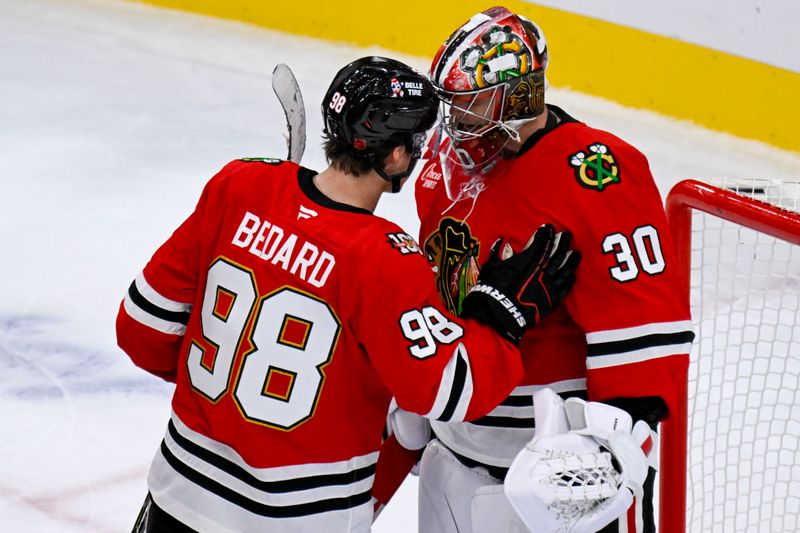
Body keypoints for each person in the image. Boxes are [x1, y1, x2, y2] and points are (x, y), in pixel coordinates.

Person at [116, 55, 580, 533]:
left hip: (176, 496)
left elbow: (140, 330)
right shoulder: (384, 259)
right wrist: (497, 315)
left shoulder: (241, 186)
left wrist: (230, 400)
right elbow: (453, 392)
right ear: (396, 156)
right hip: (297, 521)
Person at [412, 7, 695, 533]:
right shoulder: (442, 162)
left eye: (474, 106)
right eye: (456, 107)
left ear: (520, 97)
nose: (458, 124)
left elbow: (646, 333)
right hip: (451, 450)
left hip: (550, 475)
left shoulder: (596, 174)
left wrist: (607, 457)